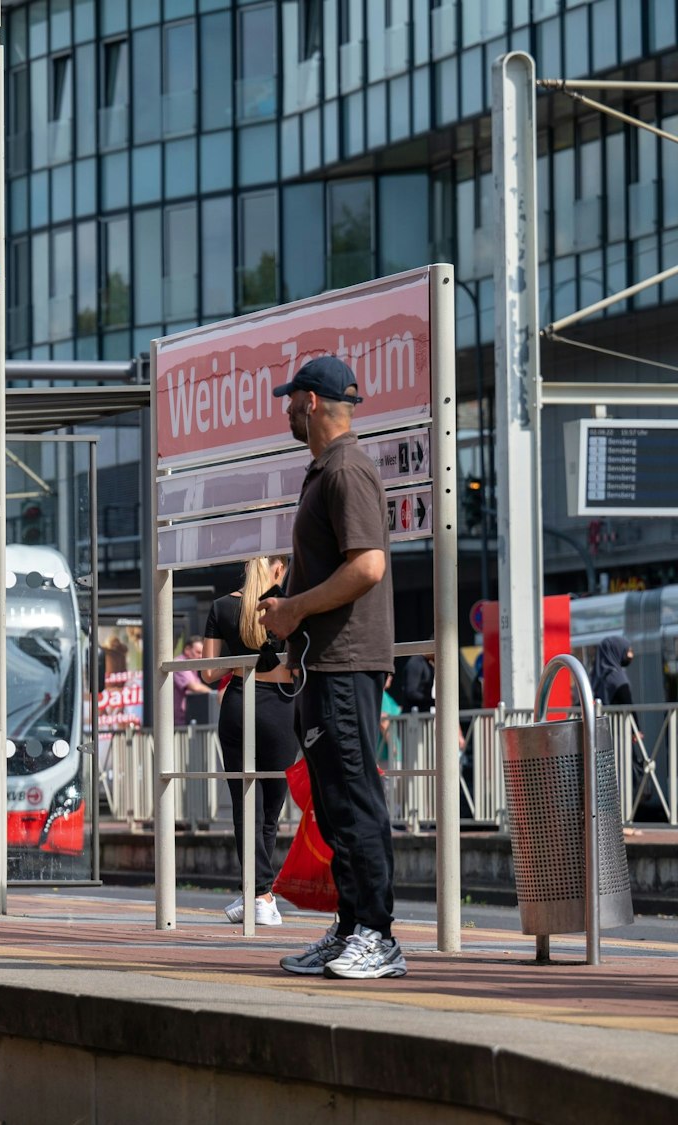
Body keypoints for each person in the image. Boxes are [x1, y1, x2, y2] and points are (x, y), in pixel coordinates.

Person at [260, 355, 405, 980]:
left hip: (345, 663)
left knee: (354, 800)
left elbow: (367, 565)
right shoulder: (325, 471)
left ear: (311, 402)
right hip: (325, 665)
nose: (287, 409)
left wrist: (292, 609)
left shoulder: (347, 470)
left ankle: (378, 935)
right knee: (334, 802)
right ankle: (351, 928)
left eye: (291, 399)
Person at [199, 555, 297, 927]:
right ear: (277, 568)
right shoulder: (289, 605)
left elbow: (208, 673)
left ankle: (256, 892)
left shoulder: (223, 606)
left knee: (245, 806)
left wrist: (243, 657)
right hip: (283, 708)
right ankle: (260, 894)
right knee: (271, 808)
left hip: (240, 703)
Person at [173, 638, 214, 726]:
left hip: (188, 720)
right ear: (187, 650)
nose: (200, 657)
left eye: (202, 654)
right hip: (178, 723)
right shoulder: (179, 664)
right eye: (198, 652)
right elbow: (195, 687)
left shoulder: (191, 667)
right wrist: (214, 695)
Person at [589, 636, 635, 707]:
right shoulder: (619, 679)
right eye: (627, 651)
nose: (630, 656)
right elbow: (629, 707)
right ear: (617, 651)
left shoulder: (593, 678)